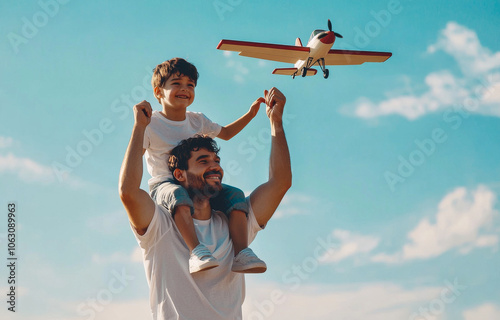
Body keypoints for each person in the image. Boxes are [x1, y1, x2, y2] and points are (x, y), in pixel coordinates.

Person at [119, 87, 291, 320]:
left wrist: (276, 123)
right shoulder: (160, 224)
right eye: (203, 161)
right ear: (179, 175)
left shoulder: (234, 223)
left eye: (216, 160)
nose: (215, 166)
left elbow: (280, 182)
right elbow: (128, 192)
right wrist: (139, 128)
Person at [142, 58, 267, 273]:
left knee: (236, 196)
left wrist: (251, 114)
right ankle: (197, 252)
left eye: (190, 85)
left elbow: (226, 133)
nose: (185, 89)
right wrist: (137, 125)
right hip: (165, 185)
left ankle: (241, 253)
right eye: (177, 83)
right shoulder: (151, 124)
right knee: (178, 195)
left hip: (197, 183)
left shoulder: (197, 121)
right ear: (158, 92)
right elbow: (136, 153)